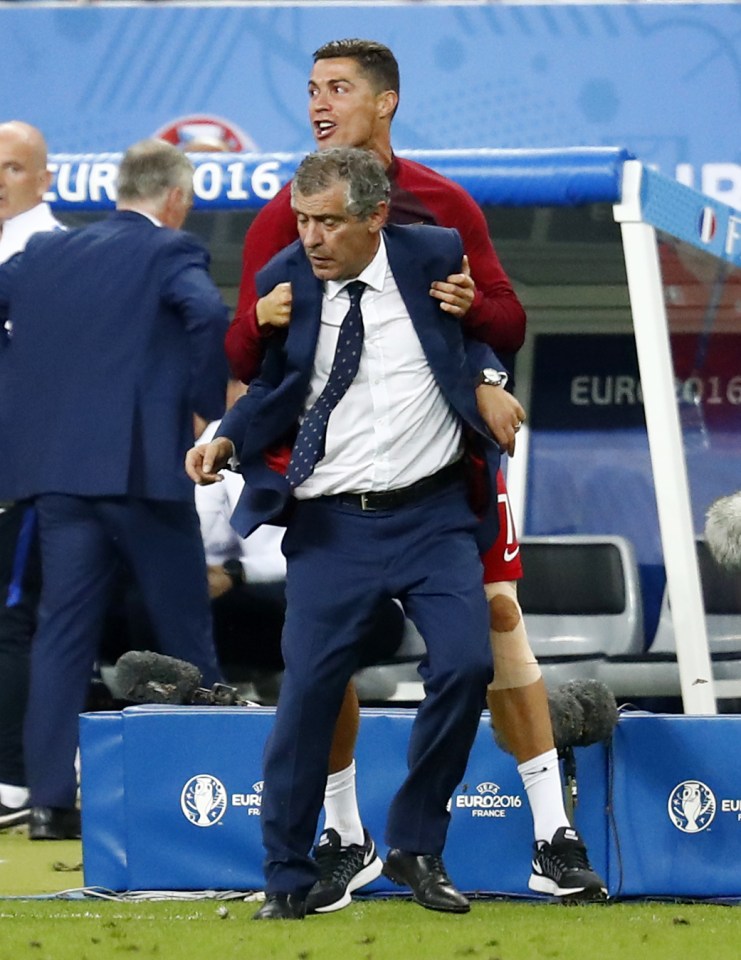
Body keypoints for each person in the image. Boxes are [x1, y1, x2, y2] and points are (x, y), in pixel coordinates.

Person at [224, 38, 606, 908]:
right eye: (311, 90)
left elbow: (503, 321)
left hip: (441, 479)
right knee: (320, 670)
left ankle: (548, 834)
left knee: (494, 627)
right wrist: (245, 409)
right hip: (330, 491)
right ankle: (344, 835)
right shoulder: (283, 220)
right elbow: (250, 355)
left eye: (339, 89)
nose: (319, 103)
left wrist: (484, 343)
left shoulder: (442, 209)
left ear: (386, 102)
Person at [188, 147, 516, 919]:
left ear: (375, 216)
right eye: (303, 220)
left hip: (433, 514)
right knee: (305, 697)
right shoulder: (284, 280)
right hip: (333, 526)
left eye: (328, 221)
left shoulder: (433, 253)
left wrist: (490, 382)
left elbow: (476, 337)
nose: (311, 237)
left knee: (467, 666)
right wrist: (227, 437)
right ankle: (287, 876)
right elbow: (268, 385)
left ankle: (414, 842)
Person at [0, 138, 229, 840]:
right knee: (185, 634)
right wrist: (202, 402)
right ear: (177, 199)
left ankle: (46, 802)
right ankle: (217, 791)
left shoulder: (41, 255)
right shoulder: (169, 251)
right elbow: (210, 316)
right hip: (142, 476)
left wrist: (25, 402)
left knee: (61, 634)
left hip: (59, 479)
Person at [0, 120, 62, 829]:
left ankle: (15, 776)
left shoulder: (54, 253)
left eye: (13, 168)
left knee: (15, 621)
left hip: (28, 475)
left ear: (45, 179)